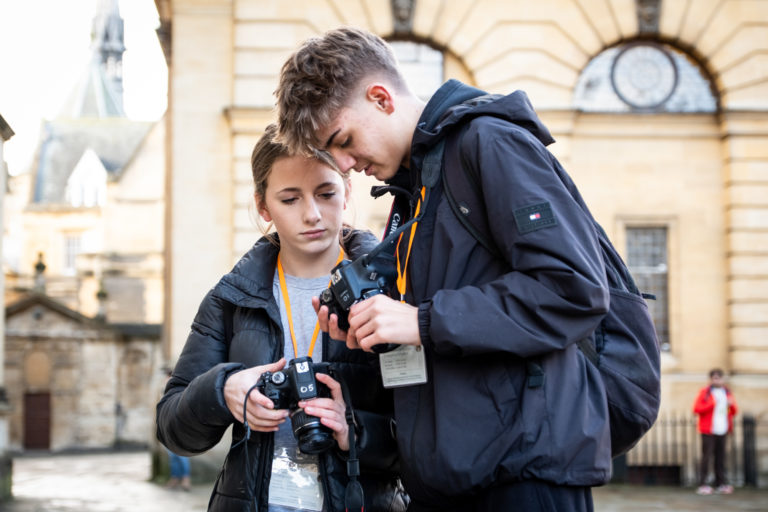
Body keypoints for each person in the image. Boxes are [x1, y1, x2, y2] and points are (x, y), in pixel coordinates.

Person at [276, 27, 611, 512]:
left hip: (521, 477)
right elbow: (442, 340)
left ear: (380, 98)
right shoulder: (414, 190)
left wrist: (420, 321)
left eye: (344, 141)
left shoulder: (489, 143)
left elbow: (573, 288)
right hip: (444, 480)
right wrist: (375, 325)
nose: (346, 165)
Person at [156, 124, 407, 512]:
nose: (312, 214)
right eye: (290, 199)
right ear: (263, 206)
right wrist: (222, 391)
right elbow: (173, 430)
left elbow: (431, 437)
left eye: (326, 194)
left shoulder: (393, 291)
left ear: (347, 193)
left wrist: (353, 429)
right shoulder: (231, 299)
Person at [693, 368, 738, 496]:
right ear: (711, 379)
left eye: (719, 377)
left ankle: (720, 484)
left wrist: (731, 405)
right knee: (706, 457)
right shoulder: (705, 392)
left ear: (722, 379)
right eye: (714, 377)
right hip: (708, 430)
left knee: (721, 458)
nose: (716, 380)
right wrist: (712, 404)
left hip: (722, 429)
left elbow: (733, 412)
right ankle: (703, 484)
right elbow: (697, 409)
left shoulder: (727, 393)